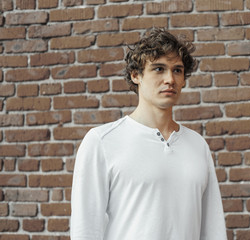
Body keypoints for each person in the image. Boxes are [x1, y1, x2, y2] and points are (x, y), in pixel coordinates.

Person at [70, 28, 227, 240]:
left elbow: (213, 229)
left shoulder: (198, 146)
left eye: (177, 70)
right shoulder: (102, 142)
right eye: (159, 69)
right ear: (136, 75)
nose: (170, 79)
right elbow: (85, 230)